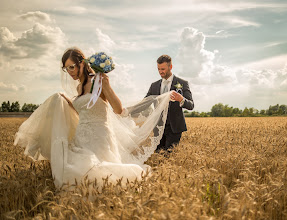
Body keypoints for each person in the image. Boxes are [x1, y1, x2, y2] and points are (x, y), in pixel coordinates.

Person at [14, 48, 172, 188]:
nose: (69, 71)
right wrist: (64, 101)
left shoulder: (98, 81)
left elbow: (118, 109)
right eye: (66, 69)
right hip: (81, 137)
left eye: (71, 66)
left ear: (82, 63)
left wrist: (107, 86)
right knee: (72, 171)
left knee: (96, 174)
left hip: (99, 137)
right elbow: (81, 111)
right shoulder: (79, 87)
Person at [146, 55, 194, 153]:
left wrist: (181, 99)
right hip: (158, 128)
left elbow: (191, 105)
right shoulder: (154, 85)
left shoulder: (182, 83)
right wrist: (128, 111)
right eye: (158, 69)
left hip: (174, 127)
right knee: (158, 156)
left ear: (170, 67)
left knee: (169, 157)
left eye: (163, 69)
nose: (160, 72)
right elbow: (145, 102)